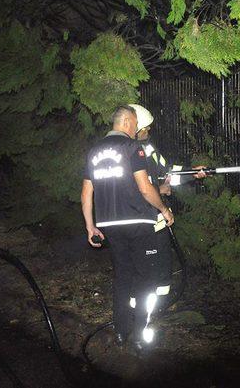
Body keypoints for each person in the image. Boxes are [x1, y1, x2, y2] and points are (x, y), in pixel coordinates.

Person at [81, 105, 174, 349]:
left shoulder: (93, 152)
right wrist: (163, 209)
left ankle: (121, 331)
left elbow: (86, 192)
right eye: (134, 124)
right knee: (146, 278)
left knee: (123, 277)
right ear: (126, 122)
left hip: (110, 225)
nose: (136, 129)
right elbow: (144, 188)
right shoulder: (132, 148)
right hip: (137, 222)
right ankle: (140, 336)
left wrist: (91, 226)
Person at [128, 103, 207, 196]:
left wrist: (192, 172)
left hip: (152, 208)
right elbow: (122, 191)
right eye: (145, 127)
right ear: (134, 129)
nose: (149, 128)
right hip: (134, 210)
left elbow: (166, 172)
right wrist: (158, 190)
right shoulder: (121, 153)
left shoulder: (149, 149)